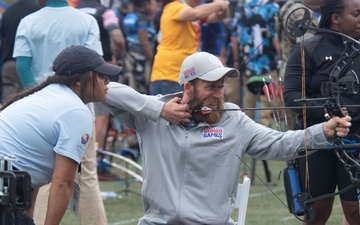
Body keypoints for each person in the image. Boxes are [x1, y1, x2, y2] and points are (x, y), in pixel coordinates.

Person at [101, 51, 352, 224]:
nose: (219, 94)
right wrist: (160, 110)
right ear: (188, 87)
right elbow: (107, 90)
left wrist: (324, 131)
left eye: (221, 86)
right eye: (211, 87)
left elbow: (280, 144)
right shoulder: (152, 115)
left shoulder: (234, 119)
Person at [0, 45, 122, 225]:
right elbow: (63, 183)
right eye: (100, 75)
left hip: (11, 182)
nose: (107, 81)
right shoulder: (76, 111)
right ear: (80, 80)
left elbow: (30, 179)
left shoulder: (48, 95)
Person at [12, 0, 106, 224]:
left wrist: (37, 99)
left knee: (44, 178)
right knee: (87, 176)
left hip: (40, 115)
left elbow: (23, 67)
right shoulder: (87, 21)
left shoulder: (28, 22)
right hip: (81, 109)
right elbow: (94, 64)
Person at [283, 0, 360, 224]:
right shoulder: (307, 49)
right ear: (336, 18)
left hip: (356, 142)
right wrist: (326, 109)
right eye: (356, 14)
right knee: (317, 213)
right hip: (317, 142)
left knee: (355, 213)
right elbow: (292, 96)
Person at [76, 0, 126, 164]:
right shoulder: (105, 12)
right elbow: (117, 38)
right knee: (101, 115)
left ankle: (78, 155)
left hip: (75, 69)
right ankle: (97, 158)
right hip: (100, 66)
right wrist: (118, 58)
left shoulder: (75, 10)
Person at [149, 0, 229, 95]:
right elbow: (195, 14)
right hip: (168, 75)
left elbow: (219, 16)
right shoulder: (174, 7)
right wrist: (218, 4)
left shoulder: (190, 11)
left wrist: (223, 7)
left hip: (183, 76)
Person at [0, 0, 40, 104]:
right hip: (30, 64)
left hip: (9, 63)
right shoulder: (37, 9)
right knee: (29, 102)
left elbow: (2, 37)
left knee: (7, 103)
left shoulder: (8, 10)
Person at [122, 0, 156, 94]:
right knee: (142, 89)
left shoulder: (129, 16)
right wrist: (154, 62)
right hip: (141, 59)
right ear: (145, 3)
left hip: (130, 56)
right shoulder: (142, 18)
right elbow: (144, 43)